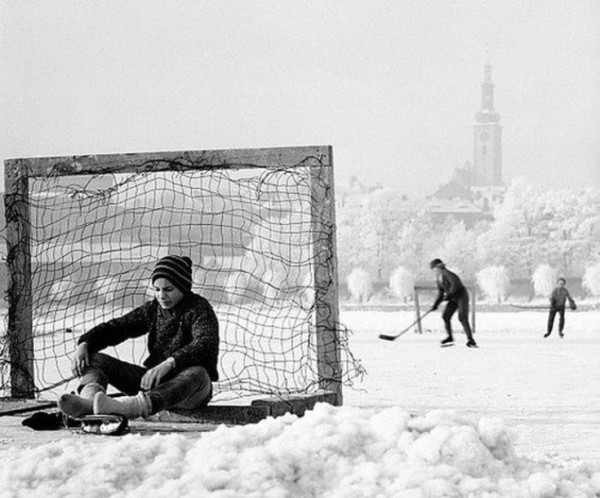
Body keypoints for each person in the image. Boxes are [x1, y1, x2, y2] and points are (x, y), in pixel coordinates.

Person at [58, 255, 219, 420]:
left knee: (199, 374)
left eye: (168, 289)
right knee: (95, 360)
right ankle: (90, 403)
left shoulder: (199, 309)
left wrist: (170, 363)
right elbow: (119, 327)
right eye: (157, 290)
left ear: (183, 287)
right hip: (154, 383)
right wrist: (85, 343)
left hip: (190, 391)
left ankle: (132, 408)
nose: (161, 296)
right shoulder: (153, 309)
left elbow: (205, 342)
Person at [429, 258, 477, 348]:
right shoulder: (438, 278)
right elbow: (440, 293)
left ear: (438, 267)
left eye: (434, 268)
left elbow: (455, 285)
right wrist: (436, 304)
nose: (434, 271)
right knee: (446, 316)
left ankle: (471, 340)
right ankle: (450, 337)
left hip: (461, 296)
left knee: (462, 318)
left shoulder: (448, 274)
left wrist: (449, 295)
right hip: (453, 298)